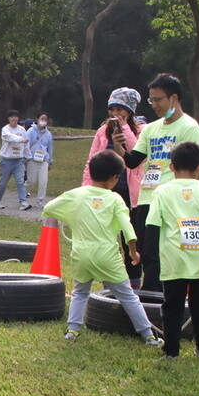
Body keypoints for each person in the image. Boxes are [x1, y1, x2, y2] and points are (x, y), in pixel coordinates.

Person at [42, 150, 163, 347]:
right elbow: (128, 228)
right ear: (115, 178)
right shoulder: (115, 199)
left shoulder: (75, 195)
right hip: (107, 256)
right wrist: (133, 251)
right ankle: (148, 335)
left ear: (91, 172)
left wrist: (72, 217)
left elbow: (49, 208)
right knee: (128, 296)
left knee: (80, 292)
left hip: (81, 255)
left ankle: (72, 330)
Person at [112, 72, 199, 291]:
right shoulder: (151, 129)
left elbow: (192, 169)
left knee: (160, 252)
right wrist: (119, 147)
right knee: (145, 250)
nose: (154, 104)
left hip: (171, 200)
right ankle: (149, 294)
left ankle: (155, 298)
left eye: (158, 99)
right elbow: (133, 162)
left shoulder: (189, 127)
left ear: (174, 98)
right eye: (151, 100)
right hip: (146, 198)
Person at [145, 141, 199, 358]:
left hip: (174, 260)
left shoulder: (162, 192)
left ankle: (171, 351)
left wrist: (149, 257)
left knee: (172, 306)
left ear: (171, 166)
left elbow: (152, 226)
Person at [81, 87, 144, 288]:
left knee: (131, 237)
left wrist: (125, 130)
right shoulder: (102, 131)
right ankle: (108, 281)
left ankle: (133, 281)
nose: (115, 114)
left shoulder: (141, 130)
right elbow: (91, 160)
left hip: (131, 194)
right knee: (105, 237)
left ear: (130, 111)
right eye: (112, 109)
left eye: (120, 109)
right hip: (106, 193)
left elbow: (138, 153)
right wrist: (86, 187)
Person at [0, 110, 31, 211]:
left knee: (20, 181)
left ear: (18, 118)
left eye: (15, 117)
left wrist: (28, 156)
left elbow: (26, 144)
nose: (14, 119)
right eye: (11, 117)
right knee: (3, 182)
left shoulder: (22, 130)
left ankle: (23, 201)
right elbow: (9, 137)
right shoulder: (5, 129)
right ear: (8, 118)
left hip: (19, 160)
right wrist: (20, 140)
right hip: (6, 160)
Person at [25, 112, 54, 207]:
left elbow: (50, 148)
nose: (44, 121)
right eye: (42, 119)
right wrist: (26, 157)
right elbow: (26, 145)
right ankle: (22, 194)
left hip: (43, 160)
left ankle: (40, 200)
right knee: (31, 180)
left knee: (43, 181)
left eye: (46, 119)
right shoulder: (30, 131)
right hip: (32, 159)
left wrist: (50, 161)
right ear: (37, 120)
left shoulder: (48, 134)